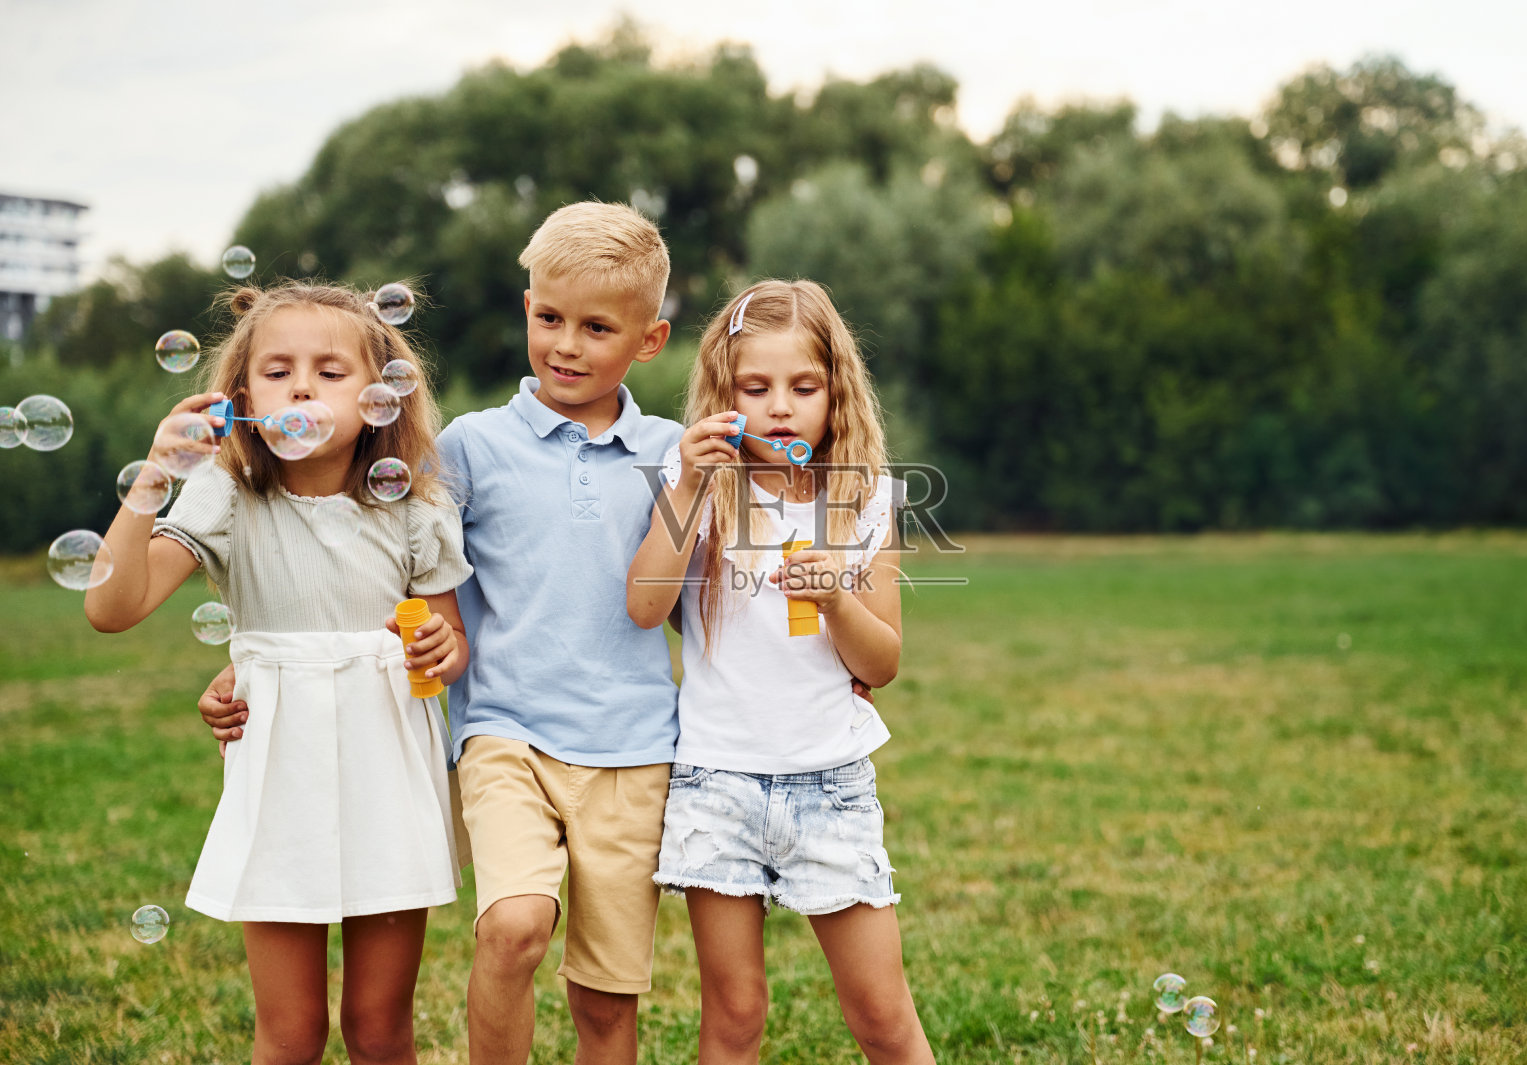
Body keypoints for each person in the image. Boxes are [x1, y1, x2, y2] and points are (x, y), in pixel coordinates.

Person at [202, 202, 681, 1065]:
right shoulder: (469, 447)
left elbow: (688, 598)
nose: (565, 344)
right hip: (503, 733)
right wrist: (257, 670)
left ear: (649, 339)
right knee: (513, 926)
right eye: (547, 317)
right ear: (526, 305)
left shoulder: (673, 453)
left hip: (636, 740)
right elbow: (387, 563)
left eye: (596, 326)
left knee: (609, 998)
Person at [86, 281, 472, 1065]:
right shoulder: (226, 494)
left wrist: (442, 647)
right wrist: (155, 475)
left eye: (330, 371)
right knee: (291, 1033)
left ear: (379, 397)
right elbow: (112, 607)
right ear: (240, 399)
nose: (301, 386)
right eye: (278, 371)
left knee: (378, 1028)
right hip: (279, 764)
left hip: (389, 762)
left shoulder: (413, 505)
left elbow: (452, 637)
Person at [626, 279, 934, 1064]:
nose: (780, 407)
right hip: (716, 783)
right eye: (754, 388)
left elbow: (883, 660)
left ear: (837, 390)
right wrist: (689, 484)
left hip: (829, 782)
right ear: (722, 393)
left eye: (803, 386)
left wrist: (836, 599)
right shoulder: (701, 485)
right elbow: (643, 602)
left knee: (882, 1015)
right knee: (734, 1015)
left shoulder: (860, 498)